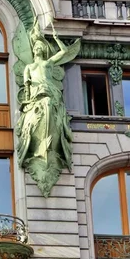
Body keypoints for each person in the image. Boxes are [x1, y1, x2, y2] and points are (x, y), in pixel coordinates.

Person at [16, 29, 76, 196]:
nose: (38, 49)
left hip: (50, 92)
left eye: (40, 47)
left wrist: (56, 38)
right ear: (33, 50)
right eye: (36, 47)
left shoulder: (48, 63)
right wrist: (27, 100)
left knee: (50, 106)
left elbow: (64, 52)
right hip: (36, 95)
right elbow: (27, 84)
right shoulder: (29, 67)